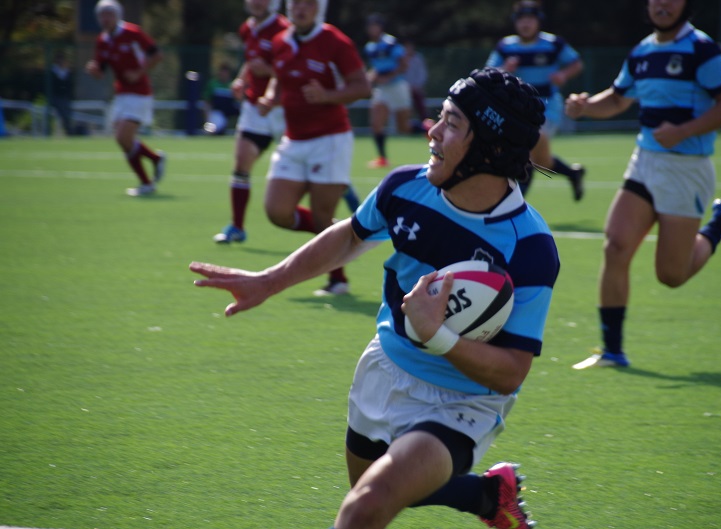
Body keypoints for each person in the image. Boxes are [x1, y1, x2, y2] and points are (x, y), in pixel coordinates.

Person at [191, 66, 555, 529]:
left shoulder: (528, 247)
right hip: (383, 367)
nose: (433, 131)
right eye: (438, 117)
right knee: (373, 489)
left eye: (452, 124)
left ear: (490, 148)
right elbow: (350, 236)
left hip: (461, 401)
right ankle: (486, 496)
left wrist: (436, 334)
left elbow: (511, 373)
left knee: (364, 507)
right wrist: (270, 280)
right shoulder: (406, 187)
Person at [566, 0, 721, 369]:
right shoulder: (642, 51)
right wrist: (586, 106)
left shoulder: (701, 49)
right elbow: (618, 98)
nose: (662, 5)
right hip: (645, 162)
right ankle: (612, 351)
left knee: (671, 275)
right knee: (615, 245)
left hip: (686, 169)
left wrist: (683, 131)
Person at [256, 0, 371, 295]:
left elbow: (362, 87)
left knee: (322, 216)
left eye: (308, 4)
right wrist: (271, 97)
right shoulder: (280, 40)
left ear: (319, 9)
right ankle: (343, 236)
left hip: (330, 140)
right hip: (293, 139)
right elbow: (278, 78)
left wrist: (328, 95)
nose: (300, 9)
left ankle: (338, 279)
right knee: (277, 211)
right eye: (295, 3)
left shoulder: (335, 41)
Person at [486, 0, 586, 201]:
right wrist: (505, 68)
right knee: (541, 161)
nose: (526, 24)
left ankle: (514, 203)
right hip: (517, 109)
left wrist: (563, 75)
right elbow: (488, 73)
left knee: (529, 147)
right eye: (521, 19)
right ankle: (572, 173)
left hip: (547, 106)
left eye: (530, 19)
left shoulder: (553, 44)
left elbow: (576, 64)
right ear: (515, 22)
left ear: (538, 21)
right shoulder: (506, 46)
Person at [212, 0, 289, 243]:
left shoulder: (284, 28)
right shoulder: (248, 28)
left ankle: (353, 214)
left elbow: (291, 68)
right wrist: (240, 79)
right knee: (241, 164)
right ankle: (237, 227)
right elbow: (250, 60)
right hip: (254, 108)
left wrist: (266, 69)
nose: (256, 2)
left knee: (314, 172)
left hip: (283, 109)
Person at [85, 0, 166, 197]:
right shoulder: (102, 40)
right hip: (121, 94)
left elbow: (156, 55)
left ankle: (148, 178)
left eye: (109, 15)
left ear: (117, 16)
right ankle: (153, 163)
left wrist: (139, 72)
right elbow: (101, 71)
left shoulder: (133, 33)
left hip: (140, 92)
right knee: (122, 141)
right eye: (102, 15)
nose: (105, 19)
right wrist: (93, 70)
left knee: (122, 137)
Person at [364, 13, 412, 169]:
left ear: (380, 27)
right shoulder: (369, 47)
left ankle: (426, 128)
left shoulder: (390, 43)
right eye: (370, 26)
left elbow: (404, 65)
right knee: (375, 123)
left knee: (403, 128)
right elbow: (378, 68)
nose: (372, 29)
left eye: (375, 26)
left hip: (397, 87)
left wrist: (389, 77)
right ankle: (382, 158)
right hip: (382, 89)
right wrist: (372, 75)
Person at [202, 62, 239, 135]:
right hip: (217, 113)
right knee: (213, 129)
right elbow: (207, 102)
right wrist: (207, 118)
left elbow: (238, 101)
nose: (223, 74)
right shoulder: (213, 84)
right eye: (222, 72)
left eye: (225, 72)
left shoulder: (233, 85)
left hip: (230, 112)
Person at [402, 39, 430, 133]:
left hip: (417, 89)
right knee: (405, 113)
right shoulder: (401, 58)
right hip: (405, 90)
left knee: (422, 111)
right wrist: (406, 86)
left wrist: (417, 85)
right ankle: (409, 131)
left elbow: (422, 73)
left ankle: (426, 129)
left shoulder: (418, 58)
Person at [48, 51, 74, 136]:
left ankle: (69, 132)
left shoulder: (67, 72)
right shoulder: (52, 72)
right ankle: (48, 132)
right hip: (55, 98)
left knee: (66, 113)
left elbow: (69, 86)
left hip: (64, 98)